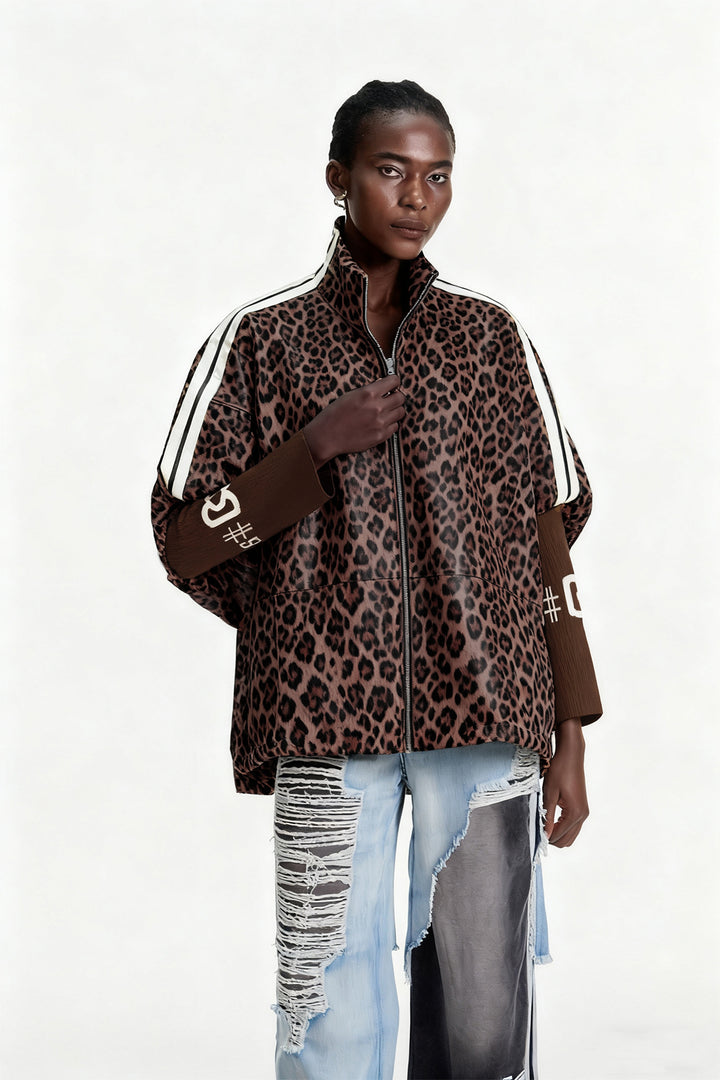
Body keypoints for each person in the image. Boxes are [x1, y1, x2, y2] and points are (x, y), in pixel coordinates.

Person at [152, 80, 602, 1080]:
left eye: (438, 176)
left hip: (489, 712)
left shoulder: (492, 339)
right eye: (391, 171)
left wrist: (571, 728)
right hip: (323, 722)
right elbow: (185, 540)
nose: (416, 198)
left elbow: (549, 538)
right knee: (326, 1003)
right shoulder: (260, 340)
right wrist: (312, 448)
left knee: (483, 1014)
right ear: (338, 177)